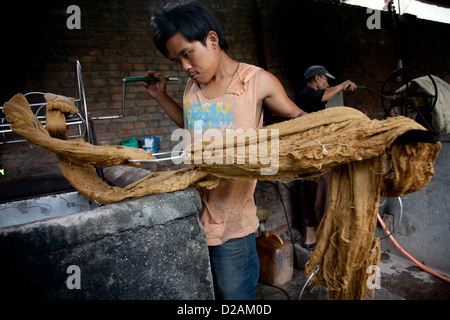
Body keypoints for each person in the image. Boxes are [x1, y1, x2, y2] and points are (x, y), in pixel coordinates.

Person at [144, 1, 307, 300]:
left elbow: (299, 119)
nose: (184, 67)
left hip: (233, 227)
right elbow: (192, 126)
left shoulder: (256, 81)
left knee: (235, 297)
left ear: (212, 40)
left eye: (186, 54)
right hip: (193, 216)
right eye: (175, 61)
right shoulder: (192, 88)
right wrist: (160, 96)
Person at [295, 65, 356, 250]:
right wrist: (342, 85)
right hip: (313, 154)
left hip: (308, 153)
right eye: (326, 79)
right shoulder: (306, 93)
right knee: (322, 190)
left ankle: (310, 238)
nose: (328, 83)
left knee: (308, 193)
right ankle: (328, 242)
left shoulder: (311, 98)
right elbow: (323, 95)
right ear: (317, 78)